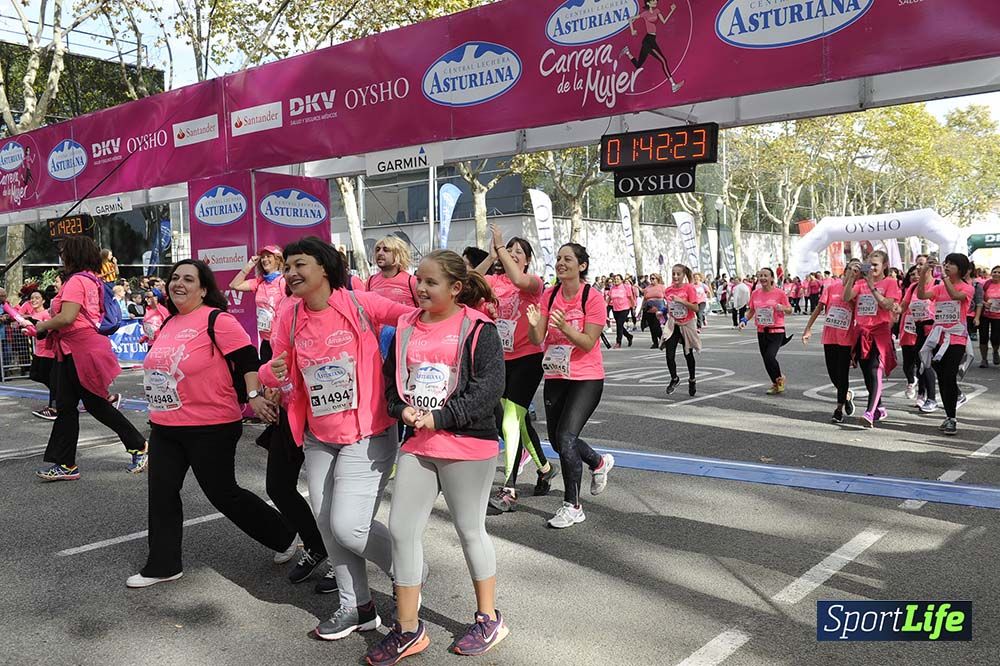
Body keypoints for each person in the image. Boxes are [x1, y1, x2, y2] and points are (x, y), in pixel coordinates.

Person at [257, 236, 416, 641]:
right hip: (318, 435)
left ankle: (409, 569)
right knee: (328, 525)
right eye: (288, 267)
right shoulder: (289, 314)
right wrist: (272, 374)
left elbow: (419, 318)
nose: (291, 273)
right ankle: (356, 607)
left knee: (348, 527)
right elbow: (273, 369)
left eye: (300, 265)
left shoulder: (361, 304)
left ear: (325, 268)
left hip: (368, 433)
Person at [369, 250, 508, 664]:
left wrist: (442, 416)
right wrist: (401, 410)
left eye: (431, 282)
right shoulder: (406, 325)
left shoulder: (478, 328)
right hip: (419, 443)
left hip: (468, 446)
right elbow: (392, 382)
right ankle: (408, 629)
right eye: (419, 281)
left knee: (469, 530)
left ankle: (489, 619)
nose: (422, 288)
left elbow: (489, 388)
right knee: (401, 530)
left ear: (456, 287)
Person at [125, 259, 293, 588]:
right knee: (161, 493)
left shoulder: (218, 320)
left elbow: (248, 360)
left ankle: (284, 535)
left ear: (203, 289)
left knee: (223, 493)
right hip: (166, 425)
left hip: (211, 425)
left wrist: (254, 396)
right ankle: (163, 564)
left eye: (188, 279)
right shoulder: (168, 322)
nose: (179, 283)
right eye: (175, 277)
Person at [26, 237, 147, 480]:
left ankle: (139, 445)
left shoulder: (75, 281)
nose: (61, 256)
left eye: (64, 252)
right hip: (77, 348)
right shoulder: (92, 279)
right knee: (69, 406)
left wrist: (42, 326)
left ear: (73, 254)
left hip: (78, 349)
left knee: (92, 405)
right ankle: (66, 464)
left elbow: (67, 317)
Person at [526, 243, 614, 529]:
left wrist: (565, 327)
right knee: (558, 440)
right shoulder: (549, 295)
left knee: (565, 437)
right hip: (556, 375)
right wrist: (533, 324)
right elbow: (537, 338)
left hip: (586, 377)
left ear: (582, 265)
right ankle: (598, 462)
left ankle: (572, 506)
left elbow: (588, 342)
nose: (561, 263)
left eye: (567, 259)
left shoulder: (592, 297)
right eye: (558, 259)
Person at [476, 227, 558, 513]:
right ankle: (546, 469)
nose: (511, 254)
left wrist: (500, 248)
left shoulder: (533, 283)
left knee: (511, 419)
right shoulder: (492, 281)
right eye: (508, 249)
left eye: (518, 251)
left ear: (527, 260)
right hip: (500, 359)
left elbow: (519, 279)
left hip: (528, 358)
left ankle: (508, 490)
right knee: (516, 423)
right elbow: (468, 281)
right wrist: (491, 256)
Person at [917, 254, 974, 436]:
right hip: (938, 337)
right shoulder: (939, 287)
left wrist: (943, 277)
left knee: (949, 376)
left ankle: (952, 418)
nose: (947, 266)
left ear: (961, 269)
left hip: (957, 338)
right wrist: (924, 272)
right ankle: (950, 411)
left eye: (952, 264)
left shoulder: (967, 288)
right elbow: (921, 295)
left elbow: (956, 295)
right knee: (942, 377)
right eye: (946, 263)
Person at [843, 251, 901, 427]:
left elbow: (887, 304)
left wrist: (872, 287)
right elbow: (846, 297)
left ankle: (869, 412)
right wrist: (852, 278)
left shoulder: (890, 282)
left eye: (876, 264)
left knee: (875, 369)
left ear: (885, 265)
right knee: (867, 372)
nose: (872, 268)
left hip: (879, 331)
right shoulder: (860, 283)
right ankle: (880, 407)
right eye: (869, 264)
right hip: (861, 332)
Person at [802, 260, 860, 422]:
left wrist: (849, 288)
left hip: (846, 338)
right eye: (850, 269)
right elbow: (819, 308)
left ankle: (838, 409)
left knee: (842, 374)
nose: (852, 273)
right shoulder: (831, 287)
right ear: (845, 271)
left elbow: (856, 310)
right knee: (833, 373)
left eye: (856, 271)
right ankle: (846, 395)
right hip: (829, 336)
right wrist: (808, 328)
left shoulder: (858, 290)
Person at [228, 246, 287, 363]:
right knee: (266, 373)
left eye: (269, 256)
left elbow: (288, 309)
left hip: (280, 340)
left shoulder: (282, 281)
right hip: (265, 341)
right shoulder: (259, 282)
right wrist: (250, 264)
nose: (265, 259)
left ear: (278, 260)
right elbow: (234, 285)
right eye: (263, 257)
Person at [739, 267, 793, 395]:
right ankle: (776, 382)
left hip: (777, 330)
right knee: (766, 359)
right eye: (760, 275)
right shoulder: (755, 293)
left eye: (765, 275)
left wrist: (783, 308)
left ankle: (779, 379)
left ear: (772, 278)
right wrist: (744, 320)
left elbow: (790, 310)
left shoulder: (780, 293)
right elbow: (751, 311)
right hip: (761, 331)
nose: (762, 278)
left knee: (770, 357)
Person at [365, 236, 419, 358]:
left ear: (398, 254)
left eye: (386, 250)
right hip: (376, 342)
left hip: (403, 341)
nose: (380, 253)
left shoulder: (411, 281)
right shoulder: (371, 281)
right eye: (377, 249)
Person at [619, 0, 684, 93]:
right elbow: (630, 19)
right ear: (648, 3)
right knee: (663, 61)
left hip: (651, 39)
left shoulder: (657, 11)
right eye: (653, 0)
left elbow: (664, 21)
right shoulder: (645, 14)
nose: (655, 1)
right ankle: (673, 85)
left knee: (638, 65)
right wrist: (632, 30)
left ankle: (627, 52)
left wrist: (672, 10)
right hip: (648, 41)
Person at [660, 264, 701, 396]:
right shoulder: (668, 290)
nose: (675, 276)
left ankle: (692, 379)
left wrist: (681, 301)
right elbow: (669, 306)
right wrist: (662, 312)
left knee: (687, 353)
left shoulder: (689, 288)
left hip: (687, 323)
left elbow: (696, 308)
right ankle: (674, 378)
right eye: (673, 274)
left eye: (678, 274)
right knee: (669, 354)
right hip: (673, 323)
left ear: (683, 275)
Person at [22, 290, 58, 420]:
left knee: (48, 378)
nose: (34, 300)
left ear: (43, 300)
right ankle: (58, 394)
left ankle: (55, 403)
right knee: (35, 375)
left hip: (48, 352)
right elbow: (38, 333)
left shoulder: (46, 314)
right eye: (32, 298)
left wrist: (31, 325)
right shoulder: (34, 315)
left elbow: (46, 332)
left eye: (37, 298)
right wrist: (29, 332)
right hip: (39, 352)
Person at [975, 265, 1000, 368]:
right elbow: (979, 297)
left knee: (996, 337)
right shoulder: (985, 284)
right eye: (995, 272)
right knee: (983, 337)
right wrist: (984, 303)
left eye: (999, 272)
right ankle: (984, 359)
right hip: (985, 314)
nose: (996, 274)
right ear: (991, 273)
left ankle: (995, 352)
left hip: (998, 316)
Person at [606, 274, 634, 348]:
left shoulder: (626, 287)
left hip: (625, 308)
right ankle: (629, 336)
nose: (616, 280)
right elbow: (609, 298)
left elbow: (631, 297)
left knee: (619, 325)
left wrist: (633, 307)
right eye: (615, 279)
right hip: (615, 309)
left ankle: (618, 342)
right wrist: (605, 305)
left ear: (622, 280)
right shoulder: (612, 288)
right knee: (620, 325)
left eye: (618, 279)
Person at [641, 273, 666, 348]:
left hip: (659, 310)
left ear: (657, 279)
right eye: (650, 278)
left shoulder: (662, 287)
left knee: (656, 326)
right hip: (649, 309)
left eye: (653, 278)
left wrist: (668, 307)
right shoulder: (647, 288)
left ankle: (662, 339)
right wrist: (641, 309)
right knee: (651, 327)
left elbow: (667, 297)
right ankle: (655, 342)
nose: (651, 280)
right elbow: (645, 299)